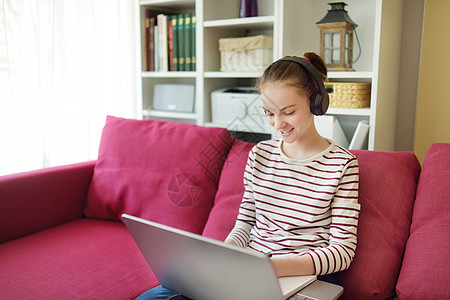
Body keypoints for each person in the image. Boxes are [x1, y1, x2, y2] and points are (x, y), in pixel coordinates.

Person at [137, 52, 360, 300]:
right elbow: (245, 223)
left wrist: (271, 267)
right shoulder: (259, 154)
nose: (277, 124)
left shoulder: (342, 165)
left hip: (301, 279)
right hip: (251, 269)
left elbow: (342, 252)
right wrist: (228, 254)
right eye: (269, 113)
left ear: (316, 102)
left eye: (288, 112)